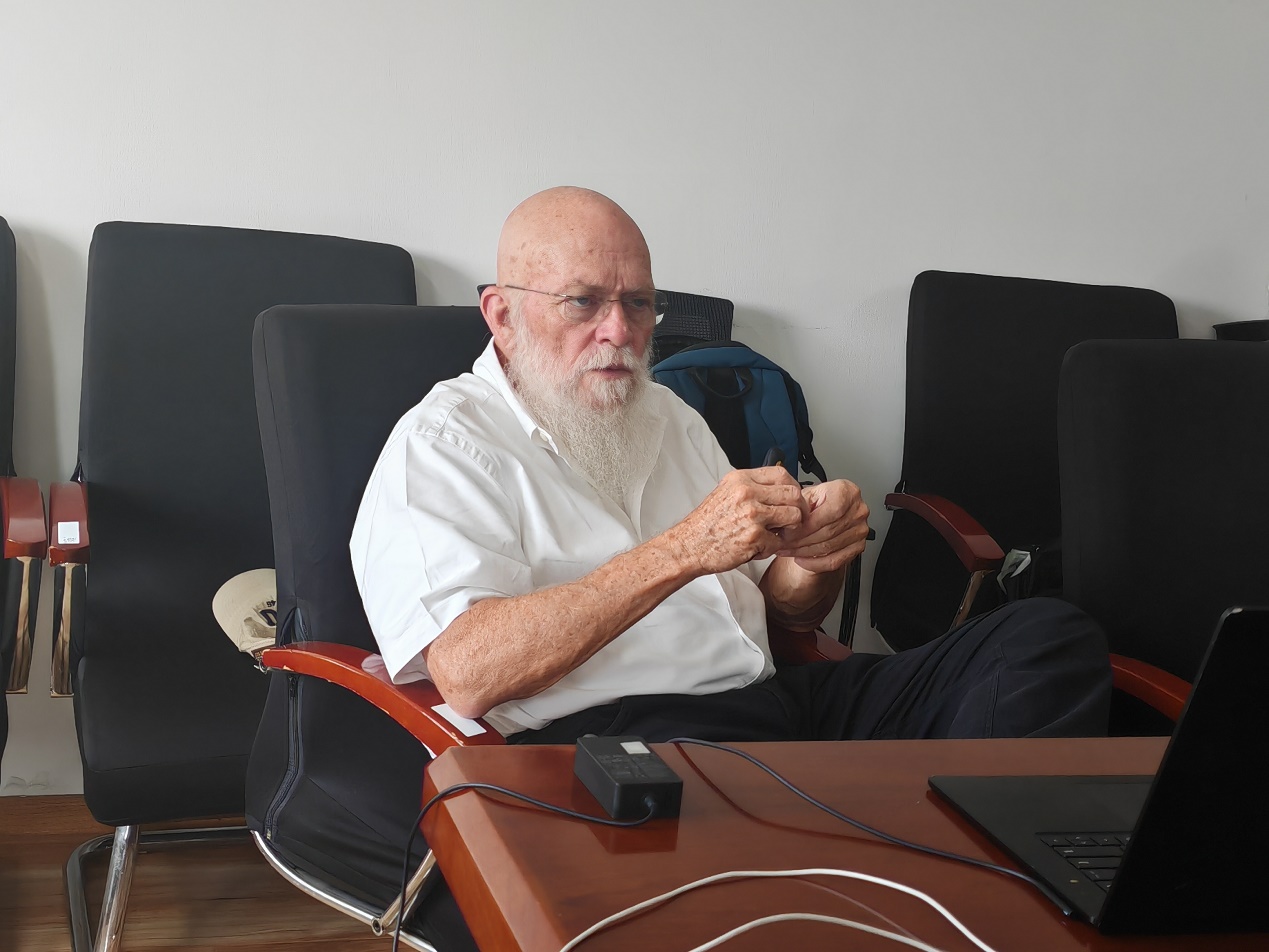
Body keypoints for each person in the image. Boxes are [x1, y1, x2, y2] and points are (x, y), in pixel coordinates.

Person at [351, 186, 1110, 744]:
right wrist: (684, 549)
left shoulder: (668, 416)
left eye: (638, 304)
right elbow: (469, 673)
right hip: (623, 737)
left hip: (776, 702)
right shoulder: (446, 444)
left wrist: (813, 560)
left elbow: (782, 617)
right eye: (582, 302)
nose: (619, 331)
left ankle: (952, 876)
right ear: (502, 316)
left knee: (1045, 639)